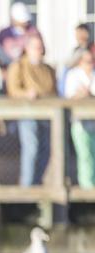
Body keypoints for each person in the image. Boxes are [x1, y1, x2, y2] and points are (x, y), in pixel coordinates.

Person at [6, 35, 57, 187]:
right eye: (35, 47)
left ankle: (37, 182)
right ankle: (26, 186)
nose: (39, 51)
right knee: (31, 148)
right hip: (27, 114)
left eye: (40, 47)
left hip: (46, 115)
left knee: (46, 150)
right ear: (27, 49)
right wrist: (26, 94)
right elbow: (13, 89)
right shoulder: (19, 66)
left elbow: (53, 91)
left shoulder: (48, 69)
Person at [65, 49, 95, 188]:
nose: (90, 63)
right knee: (85, 155)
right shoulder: (73, 75)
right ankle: (87, 188)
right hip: (80, 122)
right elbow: (68, 96)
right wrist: (82, 95)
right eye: (87, 61)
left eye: (92, 60)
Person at [0, 2, 42, 67]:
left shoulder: (33, 32)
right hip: (8, 69)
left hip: (29, 69)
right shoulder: (4, 34)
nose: (24, 23)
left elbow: (42, 50)